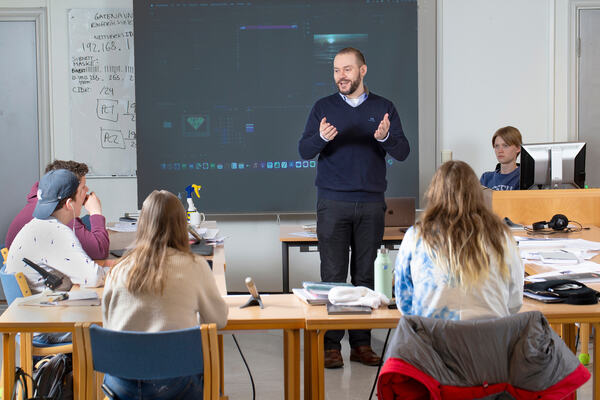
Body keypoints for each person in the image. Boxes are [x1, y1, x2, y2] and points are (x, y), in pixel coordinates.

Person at [299, 47, 410, 368]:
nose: (341, 76)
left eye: (347, 70)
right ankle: (330, 346)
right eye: (336, 70)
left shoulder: (383, 107)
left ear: (362, 71)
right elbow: (304, 150)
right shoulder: (323, 107)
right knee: (333, 276)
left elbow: (402, 151)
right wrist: (320, 138)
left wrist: (386, 138)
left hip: (372, 203)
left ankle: (361, 345)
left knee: (365, 278)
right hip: (332, 203)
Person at [102, 190, 228, 399]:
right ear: (182, 225)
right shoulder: (195, 266)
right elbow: (218, 320)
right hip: (177, 383)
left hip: (123, 385)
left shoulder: (118, 269)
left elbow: (109, 325)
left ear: (141, 224)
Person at [395, 160, 524, 320]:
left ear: (434, 192)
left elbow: (404, 302)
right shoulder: (501, 236)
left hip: (432, 341)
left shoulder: (415, 237)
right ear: (477, 193)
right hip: (490, 341)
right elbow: (515, 302)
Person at [5, 160, 109, 259]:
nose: (87, 190)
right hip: (44, 276)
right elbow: (99, 251)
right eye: (83, 187)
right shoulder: (59, 215)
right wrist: (96, 212)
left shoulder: (39, 203)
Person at [480, 126, 522, 190]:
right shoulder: (486, 178)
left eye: (505, 146)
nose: (500, 150)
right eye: (497, 146)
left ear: (518, 148)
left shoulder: (525, 179)